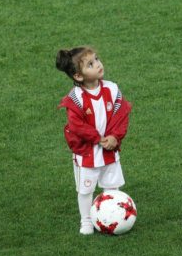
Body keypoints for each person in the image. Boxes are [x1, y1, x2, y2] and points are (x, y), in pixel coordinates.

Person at [56, 46, 132, 235]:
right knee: (85, 190)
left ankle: (112, 217)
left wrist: (115, 137)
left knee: (112, 187)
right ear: (78, 76)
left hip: (109, 150)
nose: (98, 64)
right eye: (90, 64)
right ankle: (86, 221)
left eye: (97, 59)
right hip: (87, 154)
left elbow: (121, 115)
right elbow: (76, 125)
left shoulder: (112, 89)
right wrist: (98, 139)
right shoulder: (76, 98)